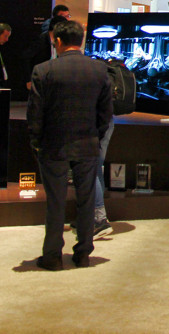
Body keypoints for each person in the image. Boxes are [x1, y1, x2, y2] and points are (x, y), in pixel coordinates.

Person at [28, 20, 113, 270]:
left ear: (57, 41)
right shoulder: (99, 70)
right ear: (81, 41)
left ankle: (52, 256)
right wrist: (95, 136)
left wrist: (36, 142)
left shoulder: (43, 70)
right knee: (87, 200)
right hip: (87, 143)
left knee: (55, 201)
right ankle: (83, 253)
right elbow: (105, 114)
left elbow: (35, 114)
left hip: (53, 145)